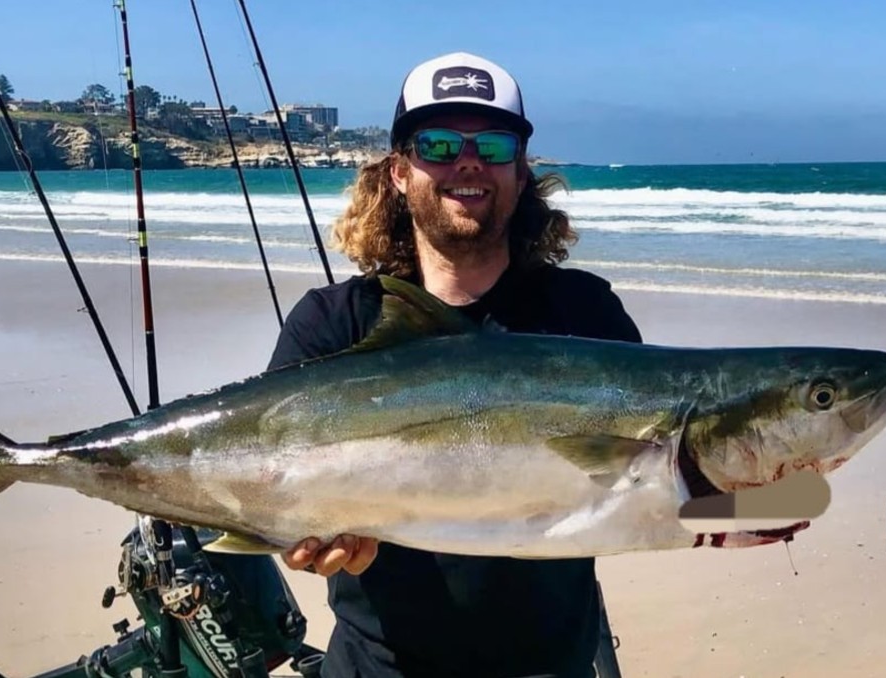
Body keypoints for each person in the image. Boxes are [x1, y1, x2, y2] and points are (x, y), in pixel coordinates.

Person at [265, 51, 643, 678]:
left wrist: (753, 508)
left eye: (493, 145)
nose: (468, 162)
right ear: (398, 172)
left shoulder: (585, 315)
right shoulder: (334, 325)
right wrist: (298, 532)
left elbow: (651, 489)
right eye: (438, 144)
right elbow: (269, 472)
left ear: (520, 172)